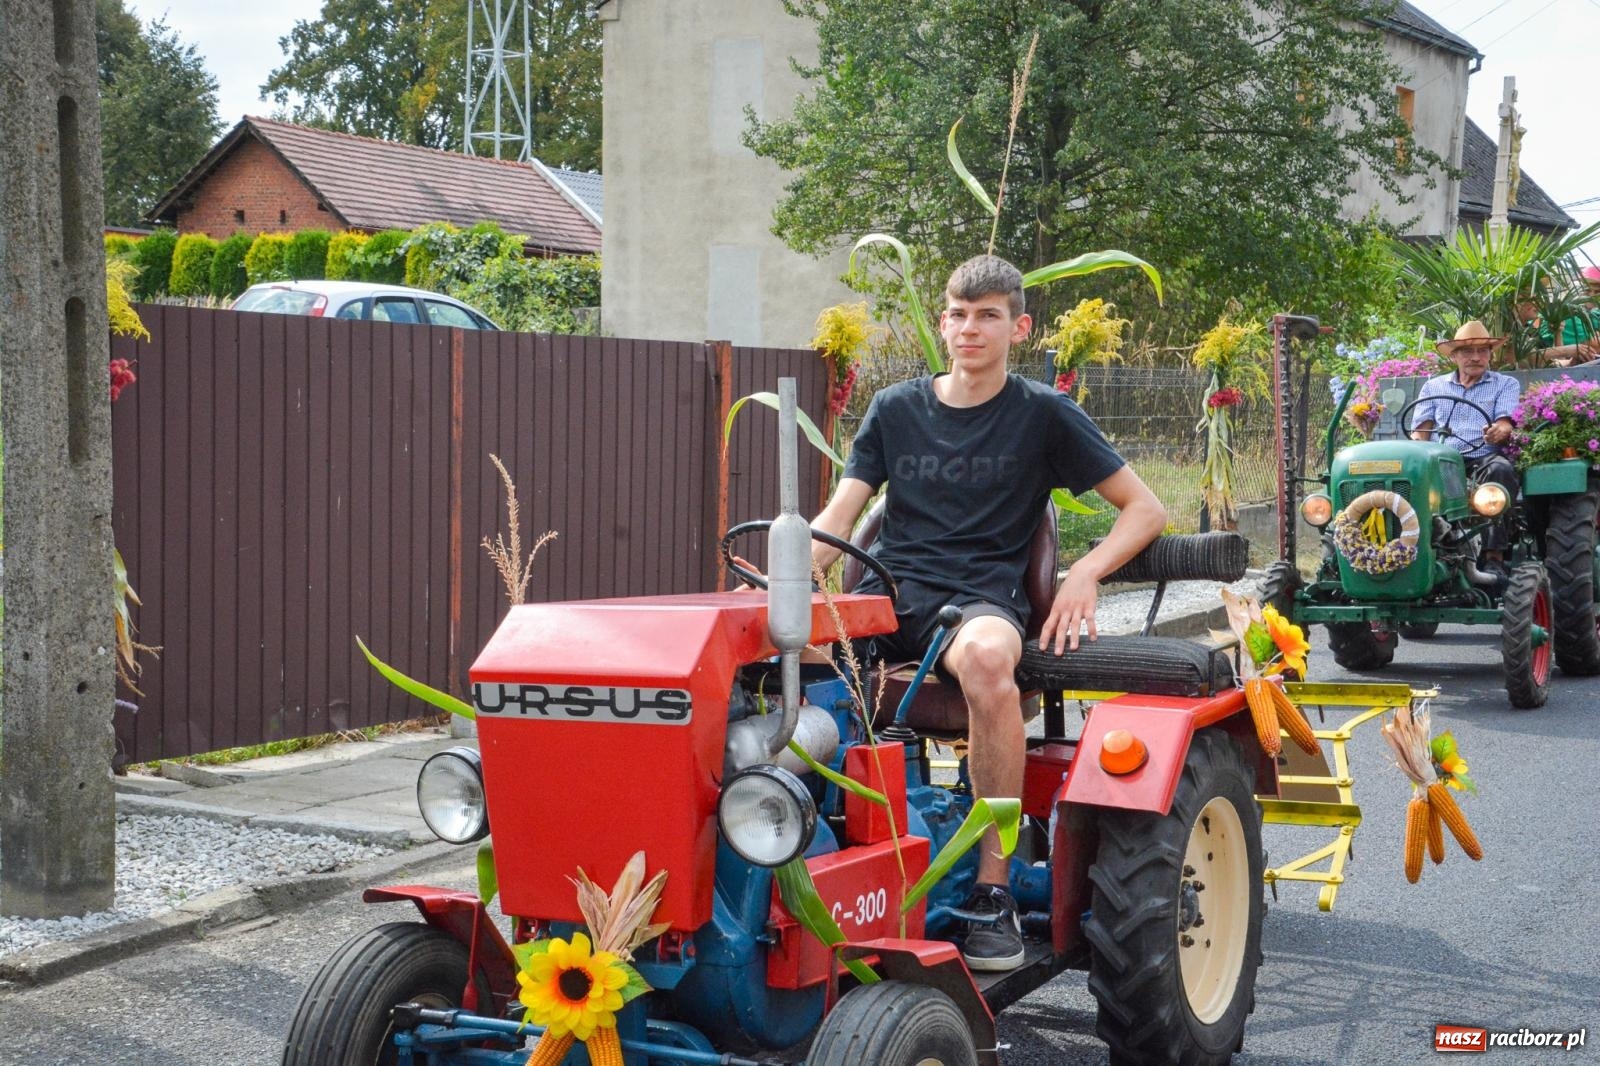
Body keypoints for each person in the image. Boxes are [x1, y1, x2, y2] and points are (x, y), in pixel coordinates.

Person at [808, 255, 1166, 971]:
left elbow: (1145, 508)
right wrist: (778, 591)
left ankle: (992, 886)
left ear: (1018, 328)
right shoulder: (895, 409)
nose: (969, 328)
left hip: (979, 598)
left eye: (988, 316)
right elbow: (840, 519)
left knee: (987, 658)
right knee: (767, 660)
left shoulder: (1043, 414)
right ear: (943, 322)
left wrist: (1084, 573)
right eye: (958, 314)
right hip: (889, 594)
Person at [1409, 320, 1520, 574]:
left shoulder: (1505, 384)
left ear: (1490, 355)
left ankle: (1494, 558)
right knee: (1410, 476)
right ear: (1455, 356)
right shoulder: (1434, 387)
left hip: (1483, 458)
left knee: (1501, 470)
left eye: (1482, 351)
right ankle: (1413, 553)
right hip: (1442, 461)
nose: (1476, 357)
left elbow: (1505, 423)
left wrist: (1499, 431)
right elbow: (1420, 434)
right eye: (1468, 351)